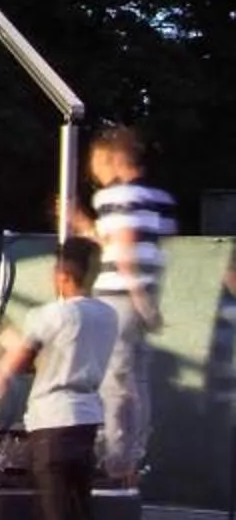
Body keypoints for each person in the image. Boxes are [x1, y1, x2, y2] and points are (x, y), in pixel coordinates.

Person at [0, 235, 120, 520]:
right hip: (87, 416)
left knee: (53, 513)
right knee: (83, 510)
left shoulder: (49, 315)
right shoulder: (108, 316)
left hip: (51, 418)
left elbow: (22, 362)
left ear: (62, 274)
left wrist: (6, 345)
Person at [87, 126, 172, 487]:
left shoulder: (116, 195)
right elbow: (132, 244)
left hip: (119, 296)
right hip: (142, 295)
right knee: (136, 379)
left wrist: (137, 295)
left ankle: (114, 462)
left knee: (113, 381)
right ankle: (134, 457)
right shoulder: (157, 199)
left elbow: (122, 247)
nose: (93, 171)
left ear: (112, 159)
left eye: (96, 162)